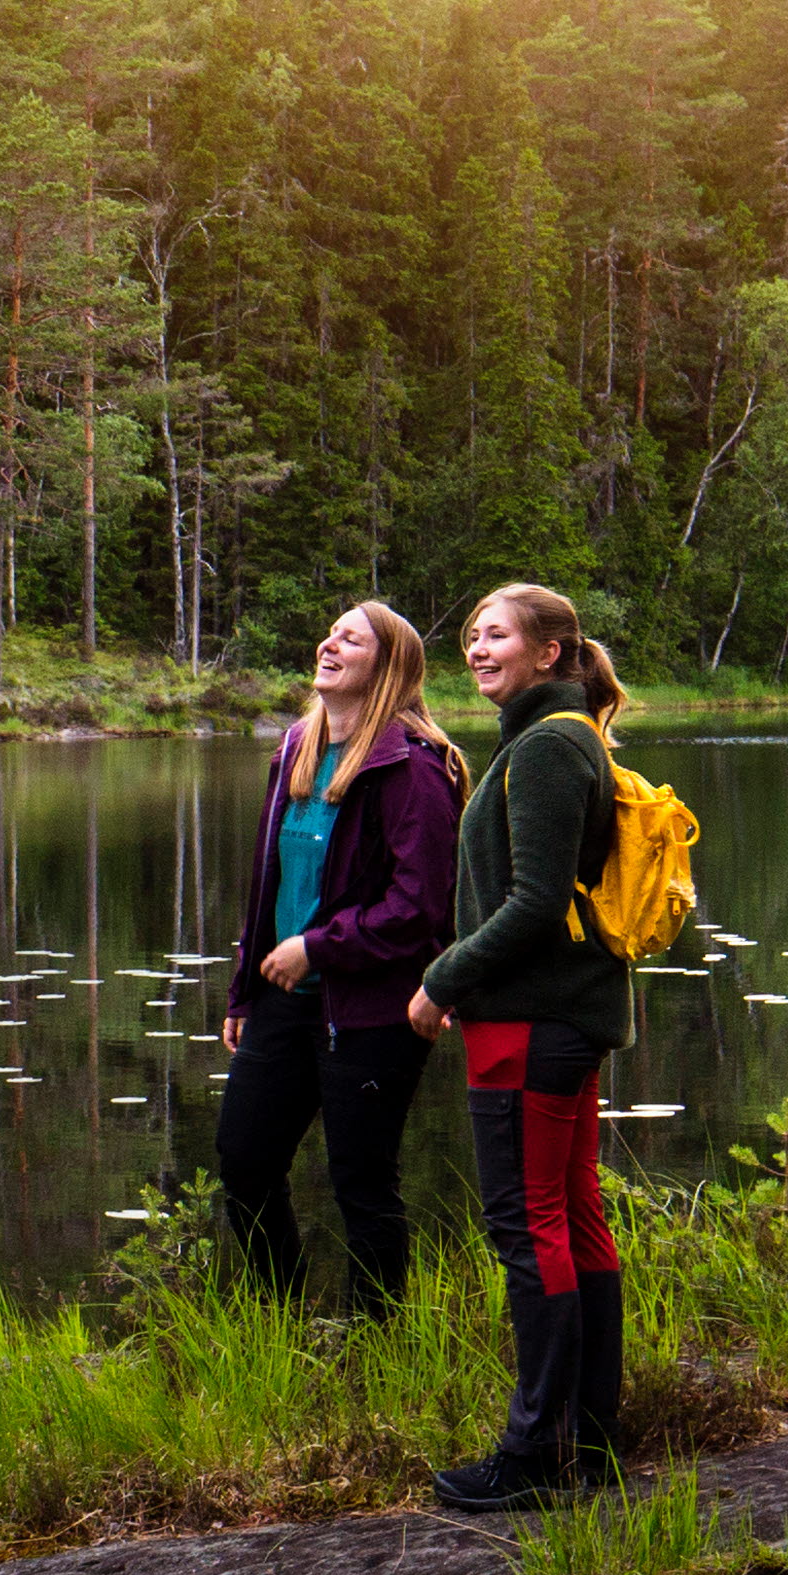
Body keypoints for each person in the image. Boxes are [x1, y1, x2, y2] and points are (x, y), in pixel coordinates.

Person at [408, 582, 634, 1509]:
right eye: (469, 635)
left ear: (549, 652)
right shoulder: (557, 736)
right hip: (555, 1017)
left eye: (495, 634)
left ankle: (536, 1454)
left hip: (531, 1023)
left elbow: (536, 904)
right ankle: (596, 1441)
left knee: (527, 1221)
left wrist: (442, 977)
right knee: (571, 1212)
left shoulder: (546, 746)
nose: (476, 648)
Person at [214, 601, 465, 1308]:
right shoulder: (295, 746)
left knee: (361, 1180)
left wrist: (318, 948)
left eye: (350, 639)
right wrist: (243, 991)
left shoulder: (415, 769)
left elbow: (419, 911)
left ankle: (375, 1343)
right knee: (245, 1161)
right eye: (330, 633)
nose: (329, 643)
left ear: (384, 669)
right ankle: (283, 1324)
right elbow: (268, 884)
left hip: (374, 1012)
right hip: (282, 1003)